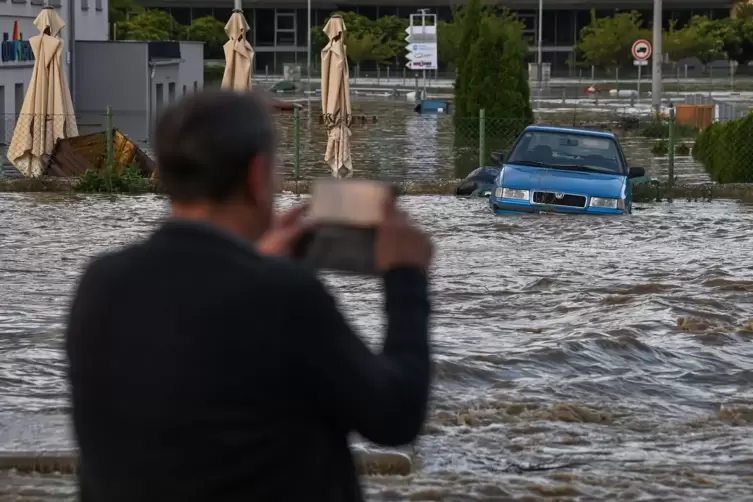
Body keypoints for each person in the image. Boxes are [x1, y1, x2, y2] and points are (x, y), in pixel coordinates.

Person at [65, 90, 434, 502]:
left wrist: (257, 260)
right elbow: (396, 415)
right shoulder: (285, 297)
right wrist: (406, 277)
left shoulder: (101, 283)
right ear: (257, 177)